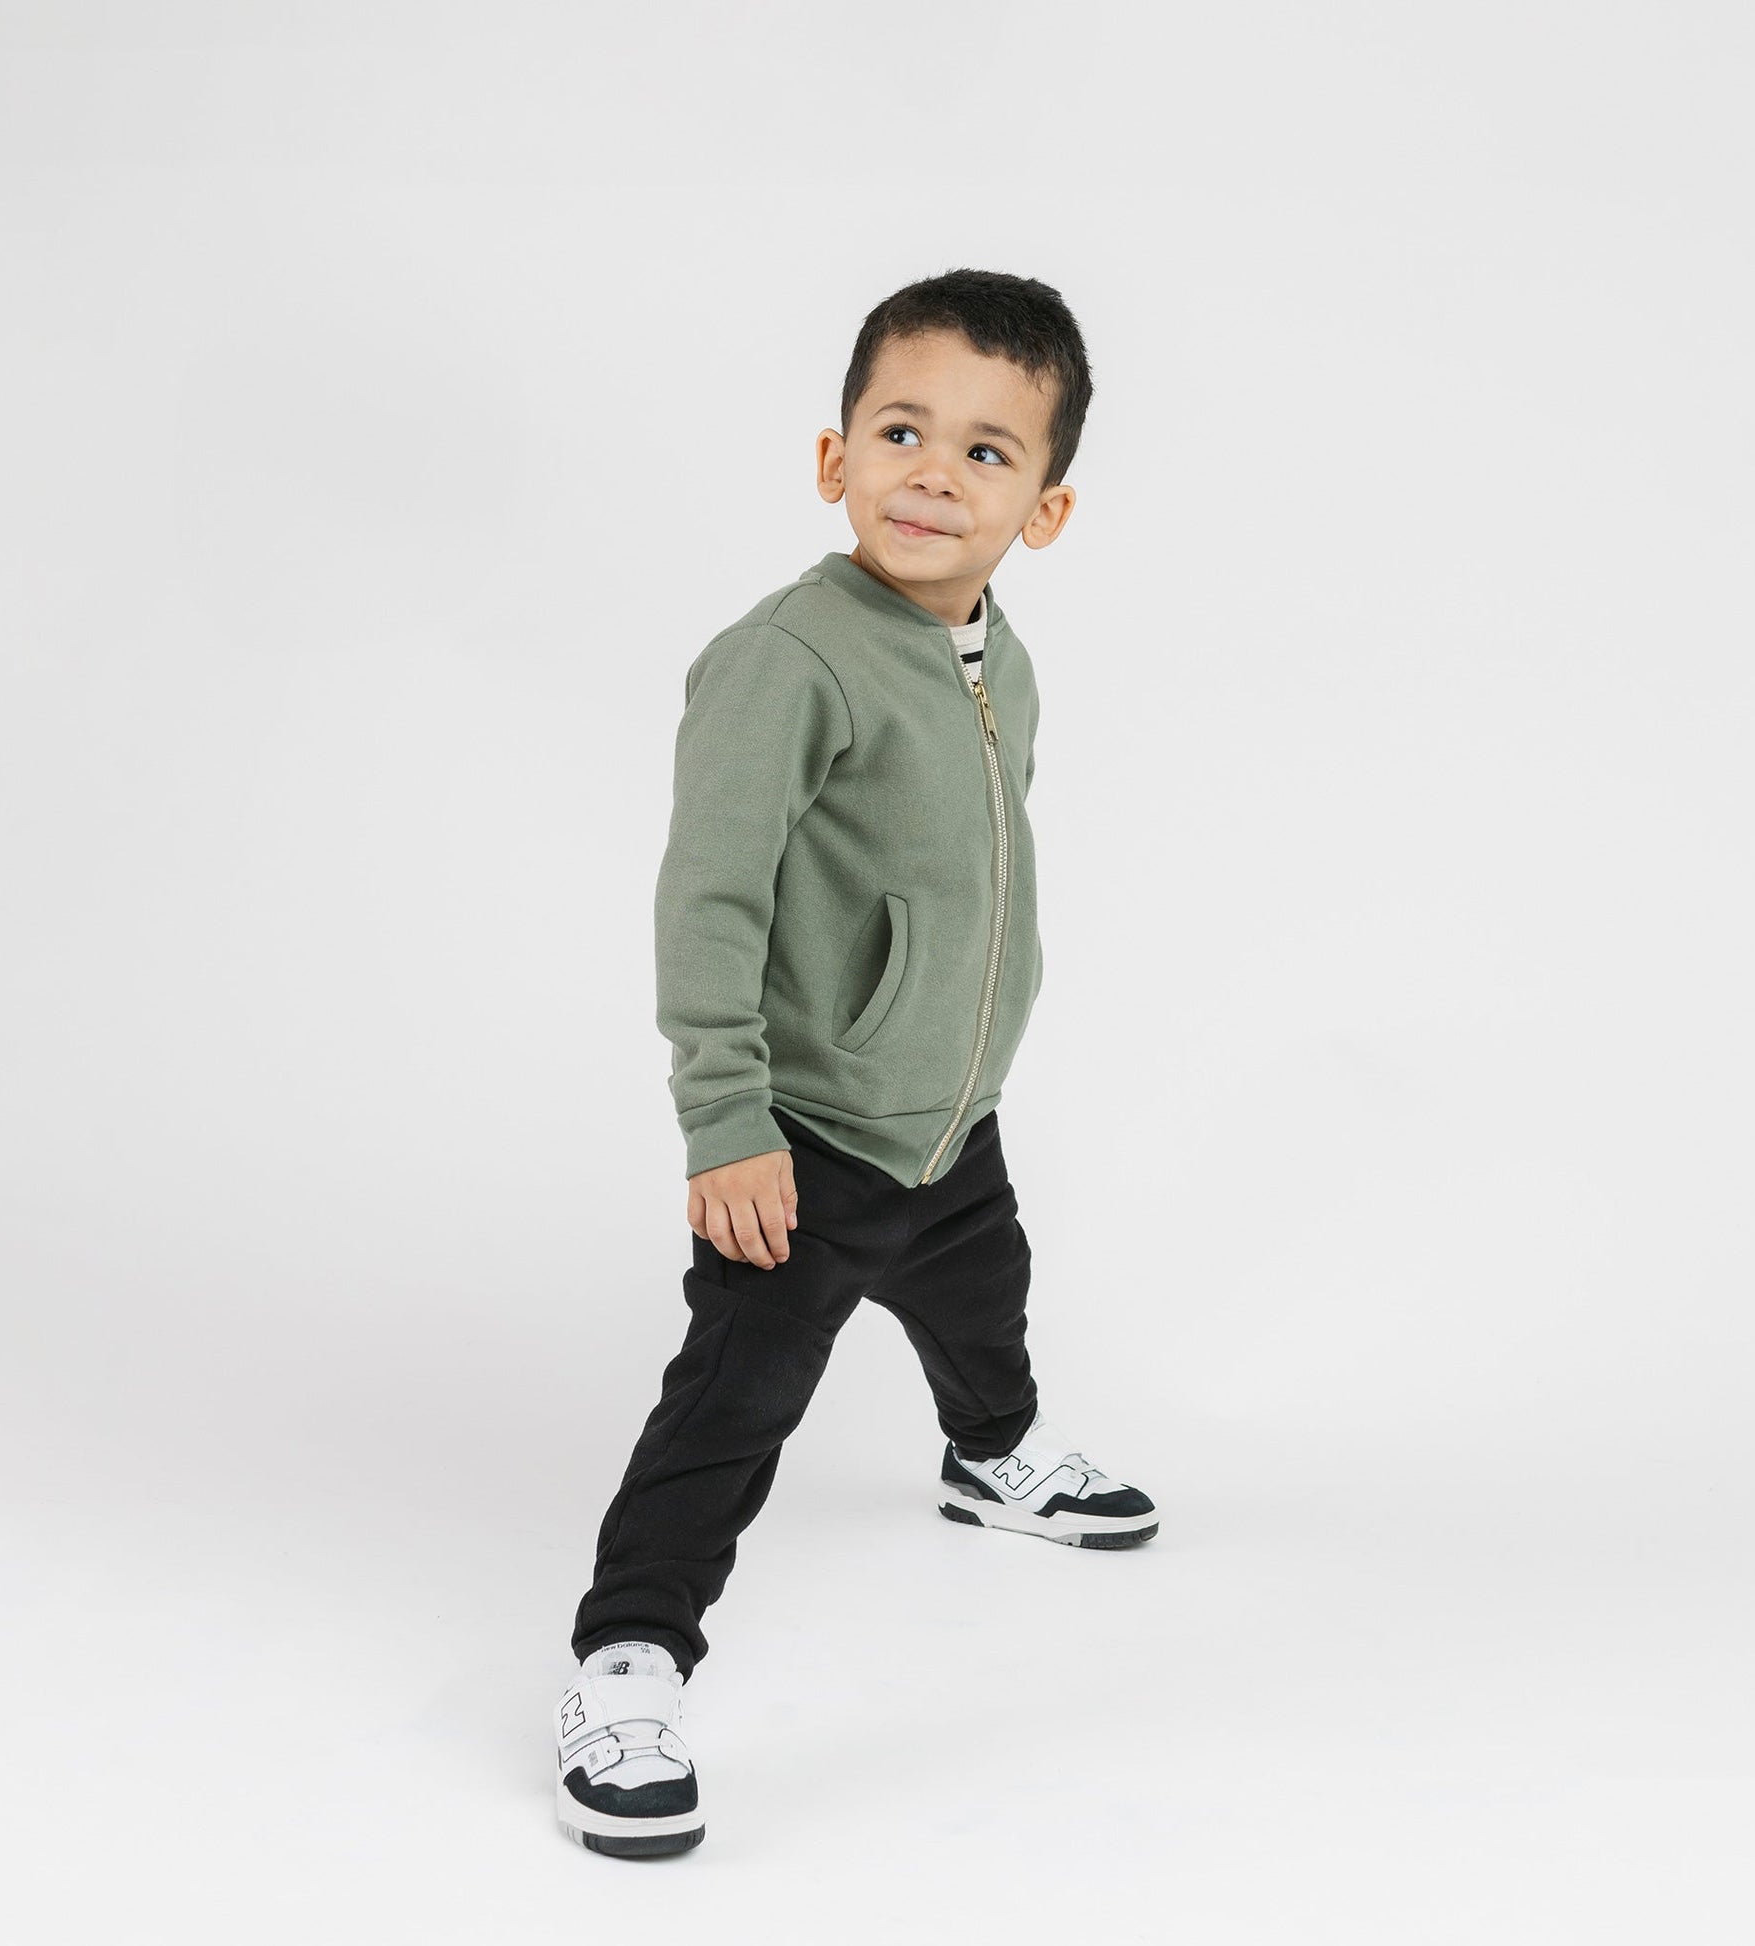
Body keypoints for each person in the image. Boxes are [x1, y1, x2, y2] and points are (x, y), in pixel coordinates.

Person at [555, 268, 1158, 1860]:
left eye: (984, 451)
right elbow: (709, 898)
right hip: (808, 1138)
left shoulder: (997, 655)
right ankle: (629, 1659)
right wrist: (725, 1120)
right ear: (834, 458)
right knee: (734, 1405)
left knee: (985, 1298)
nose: (932, 474)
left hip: (947, 1122)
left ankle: (991, 1453)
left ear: (1044, 507)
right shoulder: (788, 660)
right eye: (900, 431)